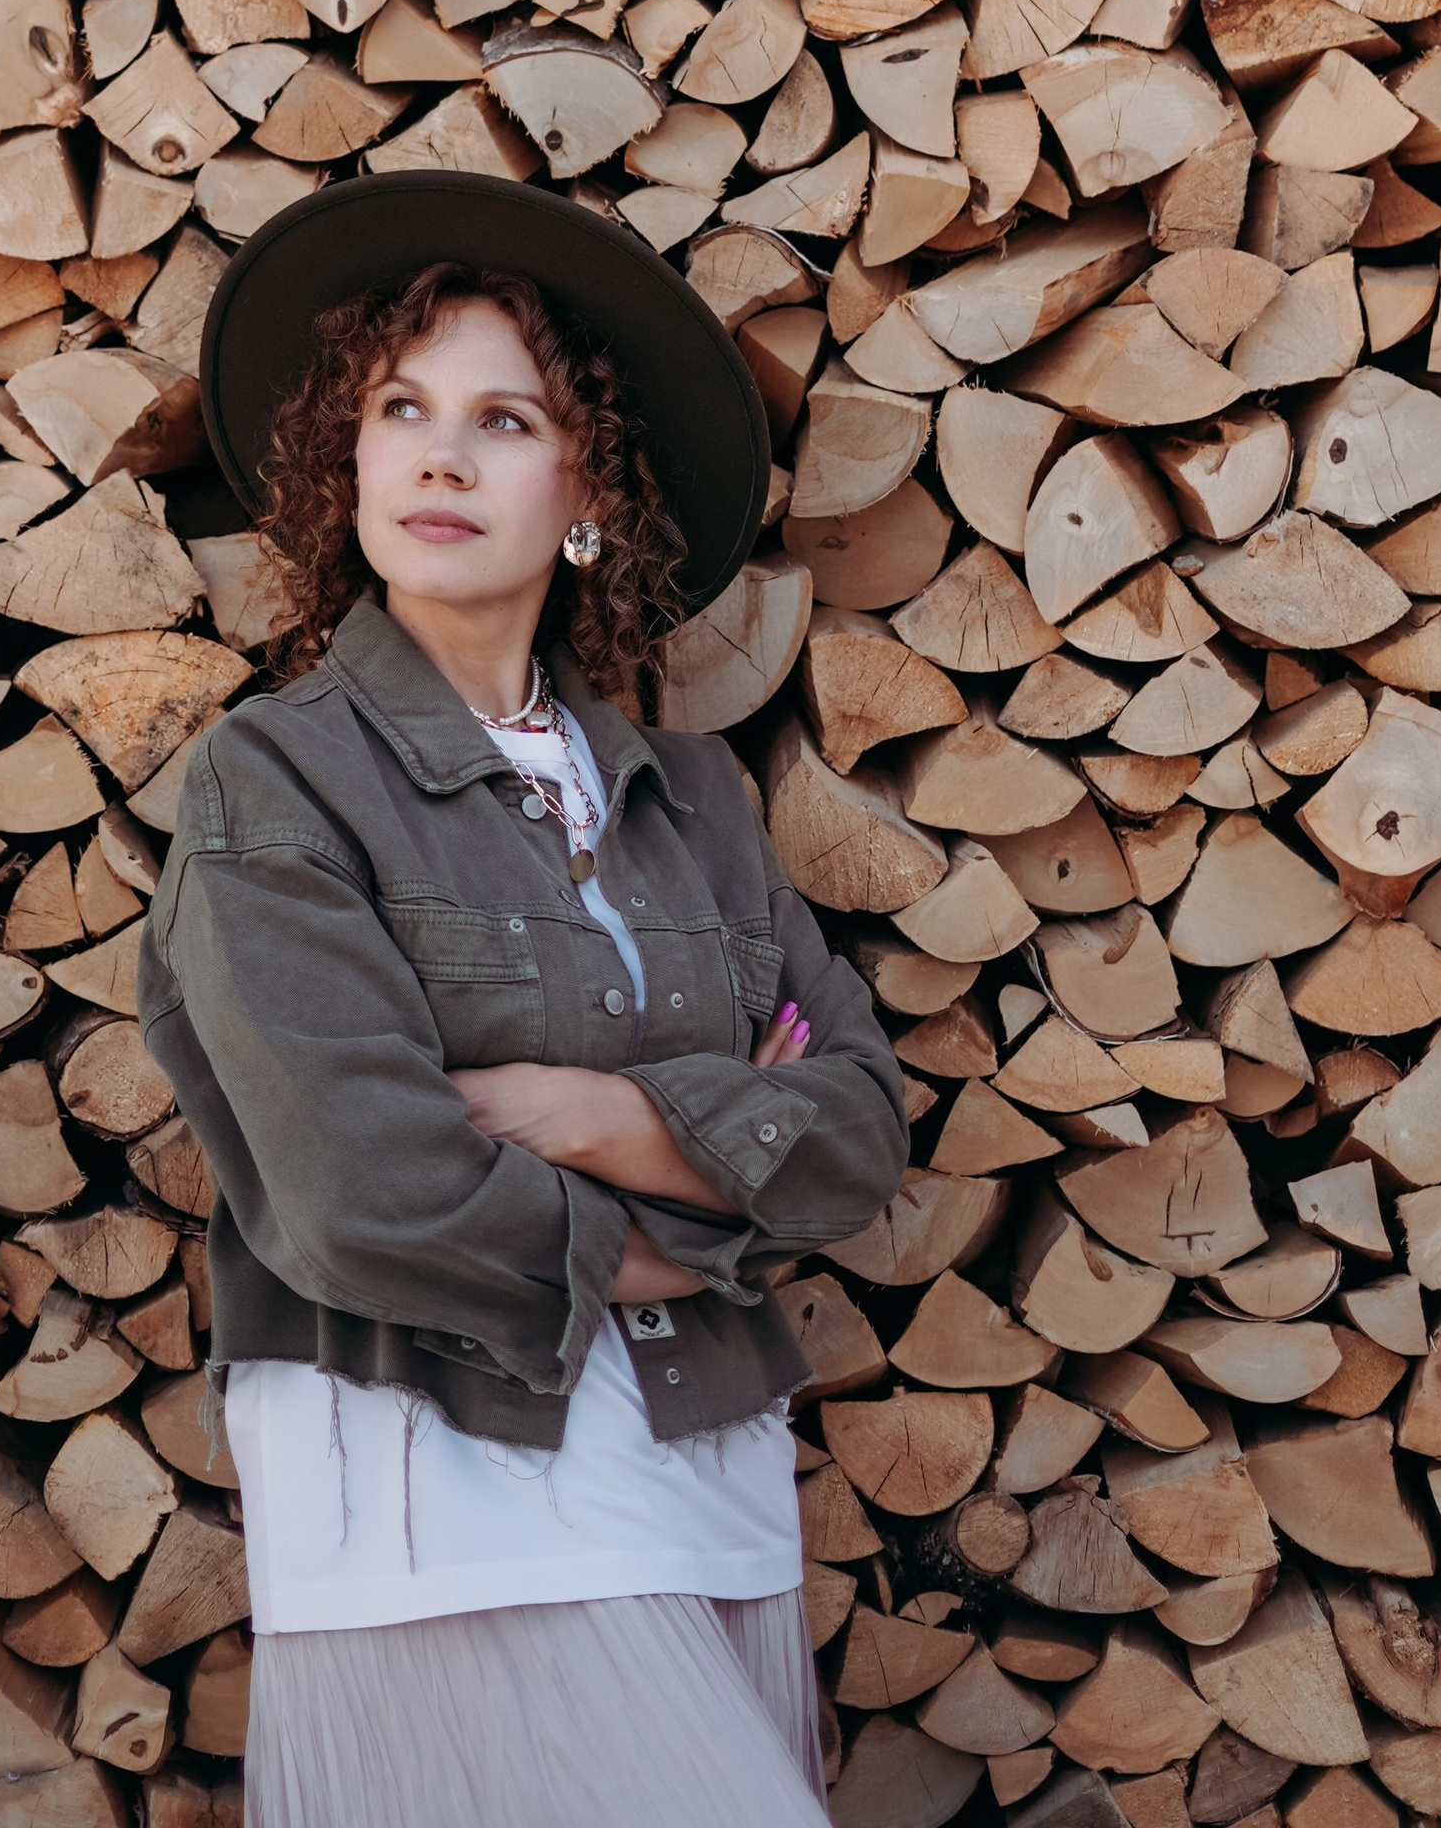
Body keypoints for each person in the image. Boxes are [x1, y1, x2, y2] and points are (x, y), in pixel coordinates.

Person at [139, 168, 910, 1827]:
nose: (437, 453)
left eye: (503, 419)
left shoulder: (694, 796)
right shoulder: (273, 786)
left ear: (586, 495)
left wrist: (607, 1118)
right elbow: (362, 1188)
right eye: (402, 408)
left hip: (708, 1478)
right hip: (443, 1482)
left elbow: (852, 1136)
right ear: (343, 462)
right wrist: (706, 1204)